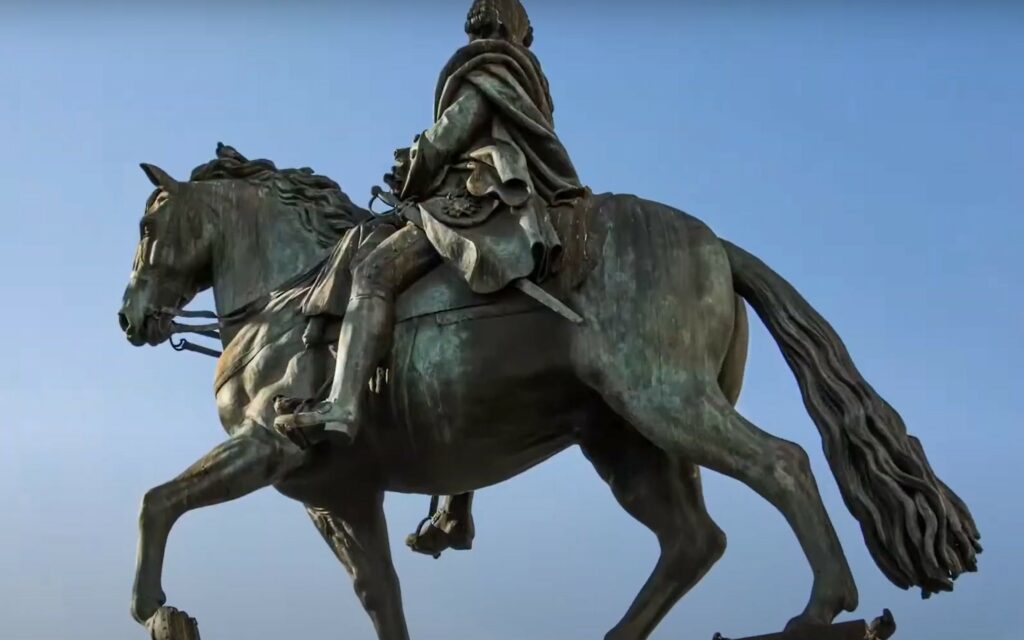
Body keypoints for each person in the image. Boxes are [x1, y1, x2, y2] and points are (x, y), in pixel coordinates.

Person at [276, 0, 586, 554]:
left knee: (372, 271)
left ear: (489, 26)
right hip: (498, 197)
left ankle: (343, 402)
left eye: (480, 21)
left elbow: (452, 133)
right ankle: (454, 507)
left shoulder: (487, 68)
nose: (477, 30)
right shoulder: (529, 82)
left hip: (472, 197)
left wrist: (412, 164)